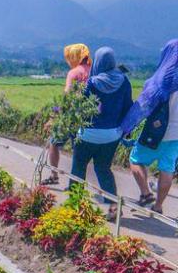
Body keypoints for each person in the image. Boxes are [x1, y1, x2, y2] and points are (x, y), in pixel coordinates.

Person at [70, 47, 133, 221]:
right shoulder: (124, 82)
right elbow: (128, 107)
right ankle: (113, 207)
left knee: (79, 166)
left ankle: (75, 206)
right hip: (112, 136)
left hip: (88, 134)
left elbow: (80, 108)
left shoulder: (92, 83)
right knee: (103, 168)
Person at [121, 39, 178, 216]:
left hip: (157, 132)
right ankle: (158, 206)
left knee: (136, 159)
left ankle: (146, 193)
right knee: (167, 168)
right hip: (176, 135)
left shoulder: (162, 79)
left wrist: (127, 126)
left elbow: (144, 105)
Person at [42, 44, 92, 185]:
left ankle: (54, 175)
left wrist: (55, 116)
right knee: (78, 151)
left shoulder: (74, 73)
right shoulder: (94, 72)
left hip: (70, 116)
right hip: (88, 117)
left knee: (54, 143)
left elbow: (67, 96)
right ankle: (77, 184)